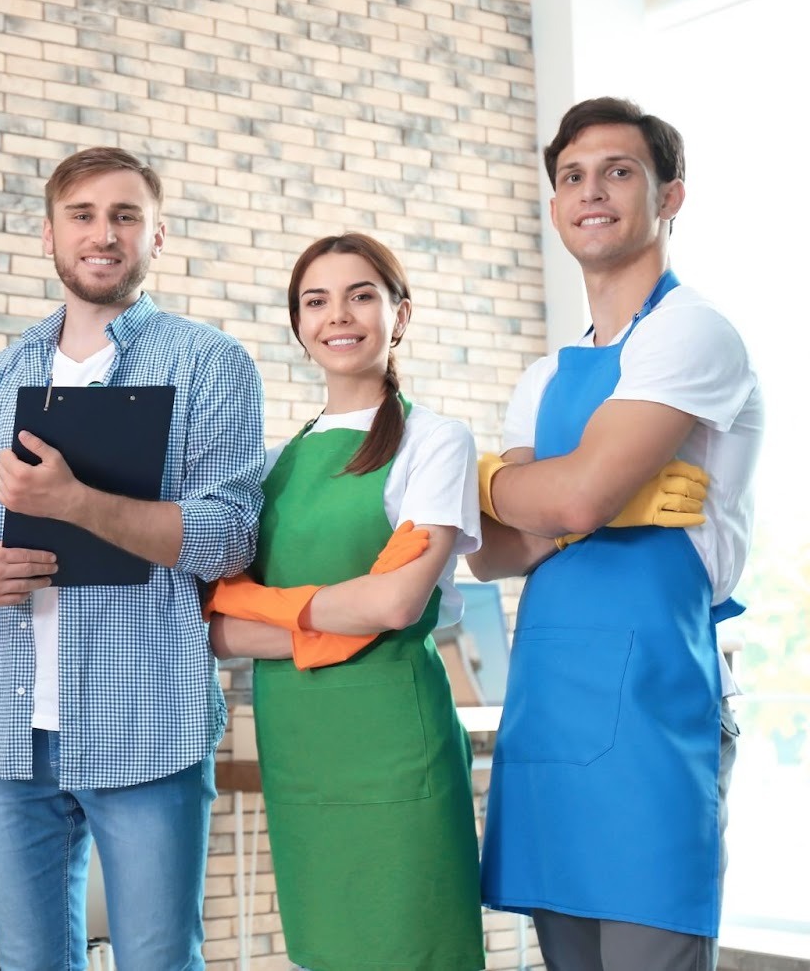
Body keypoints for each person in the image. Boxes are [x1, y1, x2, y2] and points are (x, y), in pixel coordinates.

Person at [0, 146, 266, 969]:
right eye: (82, 215)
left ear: (159, 235)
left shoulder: (210, 363)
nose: (103, 233)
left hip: (145, 722)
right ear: (48, 236)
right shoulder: (0, 374)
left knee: (157, 959)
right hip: (11, 736)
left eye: (126, 215)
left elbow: (227, 537)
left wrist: (74, 502)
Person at [470, 97, 764, 970]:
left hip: (654, 709)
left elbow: (566, 505)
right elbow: (493, 548)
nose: (590, 191)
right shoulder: (547, 373)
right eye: (571, 177)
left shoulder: (693, 334)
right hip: (550, 706)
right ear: (556, 205)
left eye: (618, 171)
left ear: (670, 197)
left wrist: (523, 487)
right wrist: (514, 490)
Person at [206, 232, 485, 971]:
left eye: (362, 294)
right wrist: (337, 611)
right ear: (299, 325)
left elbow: (396, 605)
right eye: (316, 300)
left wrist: (261, 612)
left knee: (415, 951)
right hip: (301, 754)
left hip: (397, 750)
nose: (340, 315)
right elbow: (214, 627)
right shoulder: (271, 465)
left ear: (400, 313)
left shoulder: (436, 442)